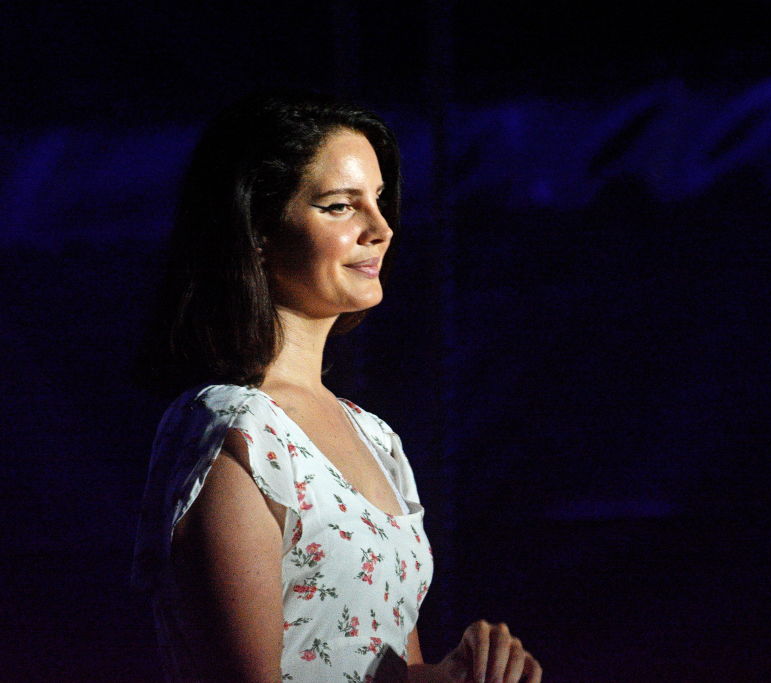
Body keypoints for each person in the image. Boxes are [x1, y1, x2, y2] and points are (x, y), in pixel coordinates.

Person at [132, 91, 542, 683]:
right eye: (339, 206)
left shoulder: (375, 436)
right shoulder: (235, 429)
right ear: (258, 232)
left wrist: (458, 673)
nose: (380, 228)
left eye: (376, 201)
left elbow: (386, 668)